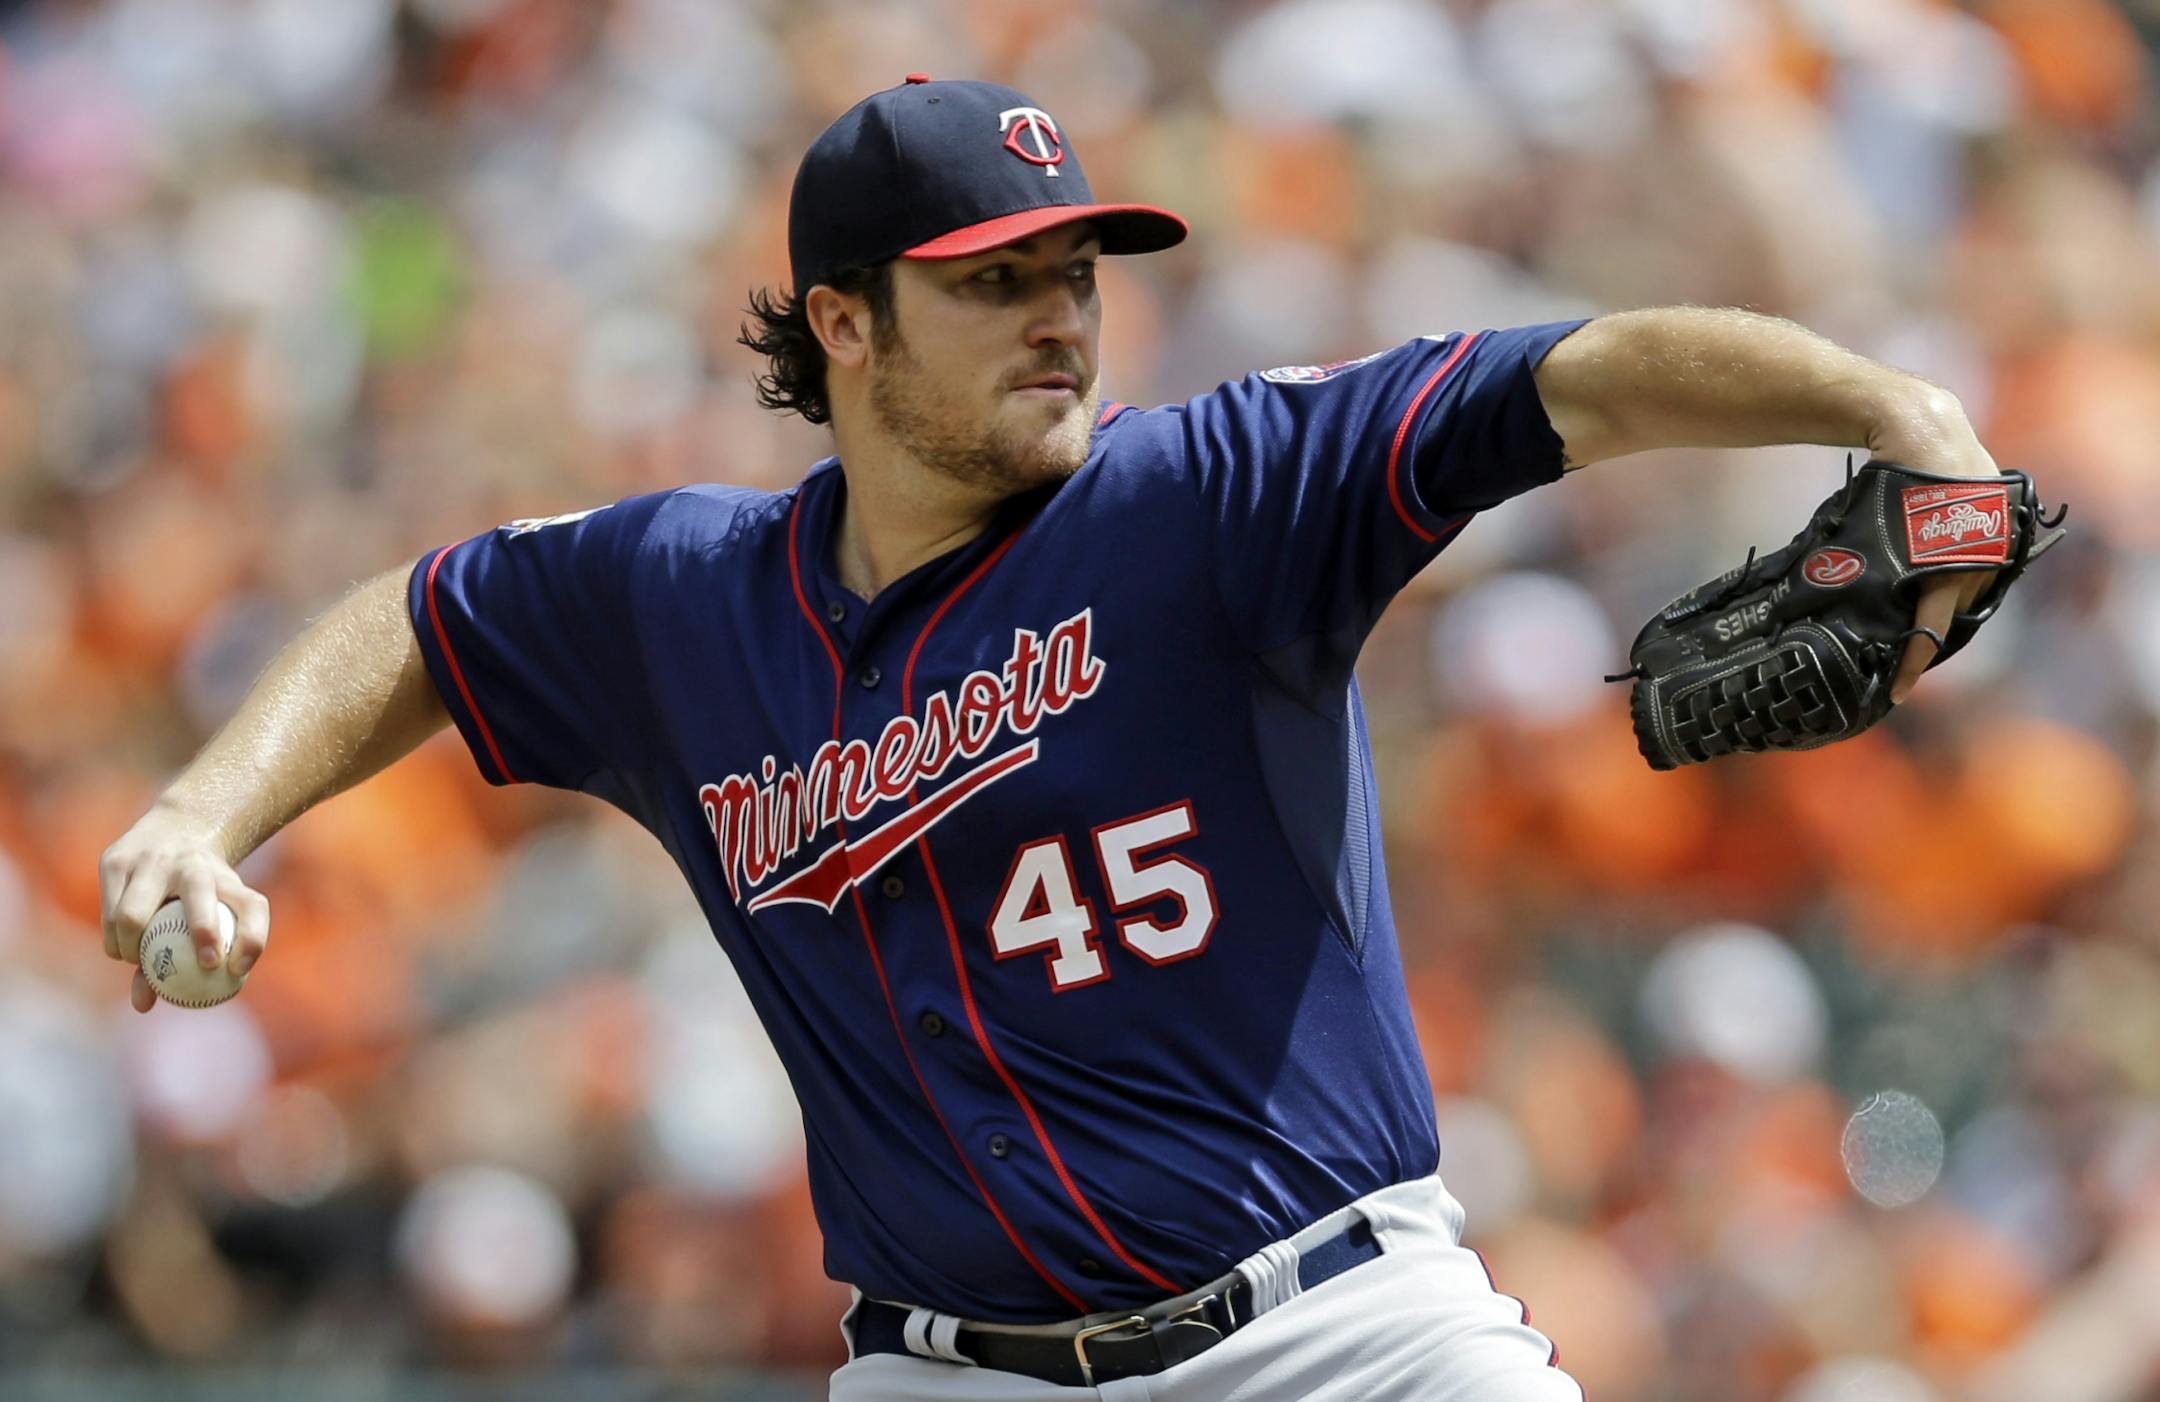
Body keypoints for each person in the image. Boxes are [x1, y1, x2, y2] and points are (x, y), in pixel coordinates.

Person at [99, 76, 2003, 1400]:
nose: (1061, 318)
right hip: (949, 1366)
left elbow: (1569, 377)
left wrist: (1892, 404)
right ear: (841, 324)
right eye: (993, 279)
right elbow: (417, 625)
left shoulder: (1221, 493)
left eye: (1076, 272)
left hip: (1334, 1325)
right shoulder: (682, 604)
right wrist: (206, 807)